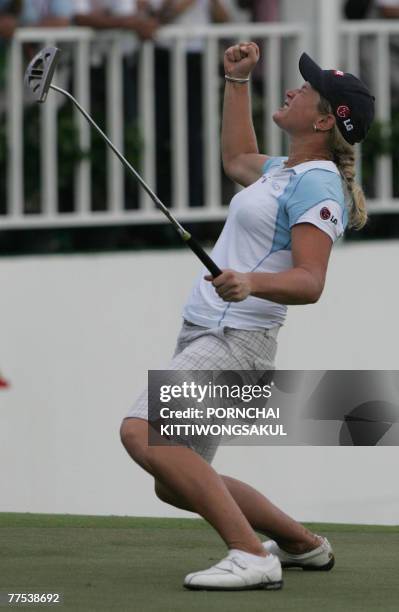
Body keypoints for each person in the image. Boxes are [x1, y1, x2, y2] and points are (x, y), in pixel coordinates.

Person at [120, 42, 375, 590]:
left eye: (305, 89)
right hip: (209, 332)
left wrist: (251, 281)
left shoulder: (317, 183)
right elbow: (237, 159)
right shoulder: (286, 169)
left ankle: (251, 555)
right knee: (177, 479)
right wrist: (237, 81)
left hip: (237, 338)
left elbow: (311, 281)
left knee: (142, 433)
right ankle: (304, 545)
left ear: (326, 118)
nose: (292, 89)